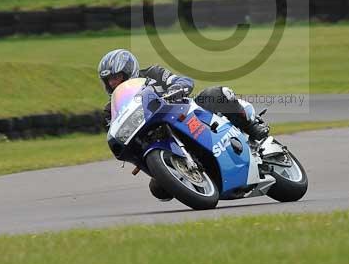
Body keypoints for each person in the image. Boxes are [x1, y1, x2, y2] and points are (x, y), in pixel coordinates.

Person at [97, 48, 271, 201]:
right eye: (109, 80)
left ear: (129, 71)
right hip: (156, 140)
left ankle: (252, 126)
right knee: (158, 190)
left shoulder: (153, 74)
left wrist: (176, 88)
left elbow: (183, 80)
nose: (113, 83)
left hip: (184, 113)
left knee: (216, 94)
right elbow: (116, 131)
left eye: (117, 77)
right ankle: (192, 175)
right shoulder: (111, 109)